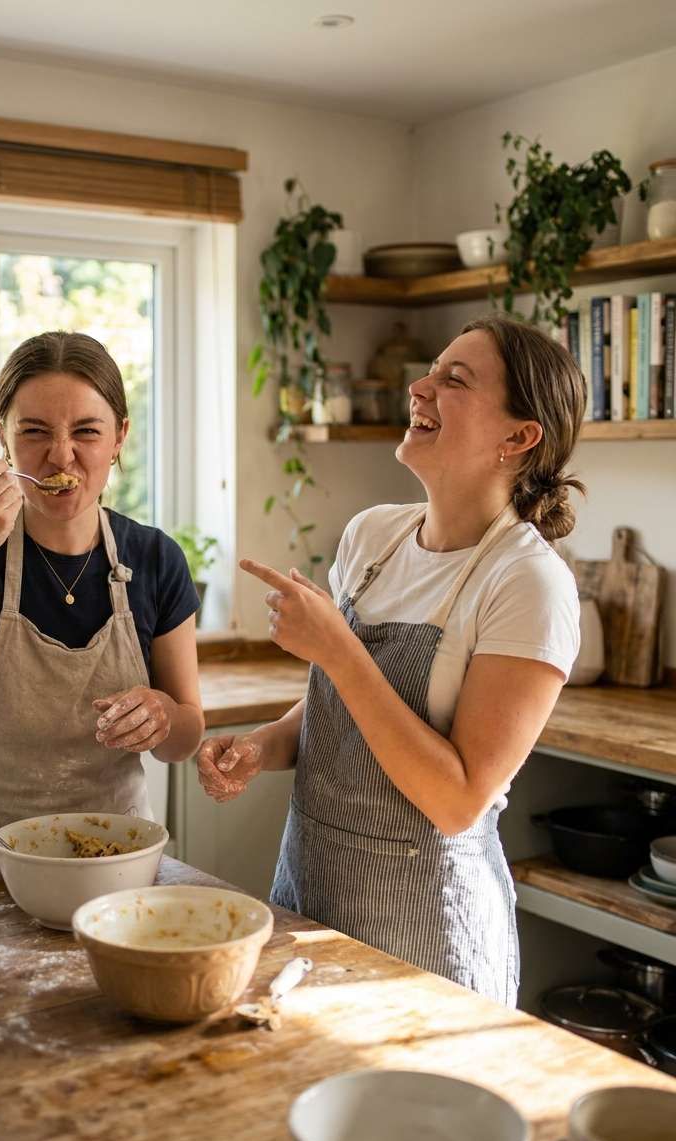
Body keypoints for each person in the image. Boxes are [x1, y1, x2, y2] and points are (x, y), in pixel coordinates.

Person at [197, 315, 583, 1006]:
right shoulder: (374, 534)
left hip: (429, 934)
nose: (418, 387)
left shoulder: (528, 582)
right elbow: (340, 704)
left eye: (453, 380)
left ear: (518, 438)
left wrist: (338, 650)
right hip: (310, 898)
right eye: (431, 371)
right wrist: (265, 745)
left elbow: (457, 798)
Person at [0, 331, 204, 893]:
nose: (61, 455)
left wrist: (164, 715)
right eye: (35, 431)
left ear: (120, 437)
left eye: (87, 432)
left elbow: (186, 734)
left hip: (112, 867)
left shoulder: (155, 557)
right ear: (1, 435)